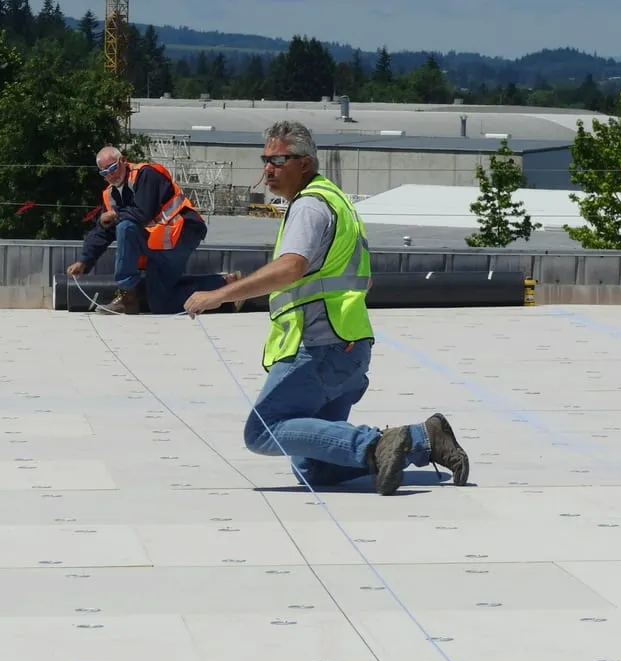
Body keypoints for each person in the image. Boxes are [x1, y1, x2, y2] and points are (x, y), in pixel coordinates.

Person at [184, 121, 470, 494]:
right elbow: (363, 281)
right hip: (349, 349)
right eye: (265, 159)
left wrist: (220, 294)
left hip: (319, 348)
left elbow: (291, 267)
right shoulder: (336, 200)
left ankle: (373, 444)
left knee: (263, 430)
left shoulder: (309, 207)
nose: (267, 169)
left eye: (278, 160)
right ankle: (424, 439)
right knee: (313, 469)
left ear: (304, 163)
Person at [67, 146, 240, 315]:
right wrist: (84, 261)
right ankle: (226, 285)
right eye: (105, 173)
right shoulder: (111, 195)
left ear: (123, 161)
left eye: (113, 168)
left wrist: (115, 215)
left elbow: (143, 212)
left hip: (181, 234)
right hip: (159, 243)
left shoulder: (147, 175)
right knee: (161, 304)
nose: (111, 175)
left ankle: (128, 296)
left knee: (125, 226)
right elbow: (104, 230)